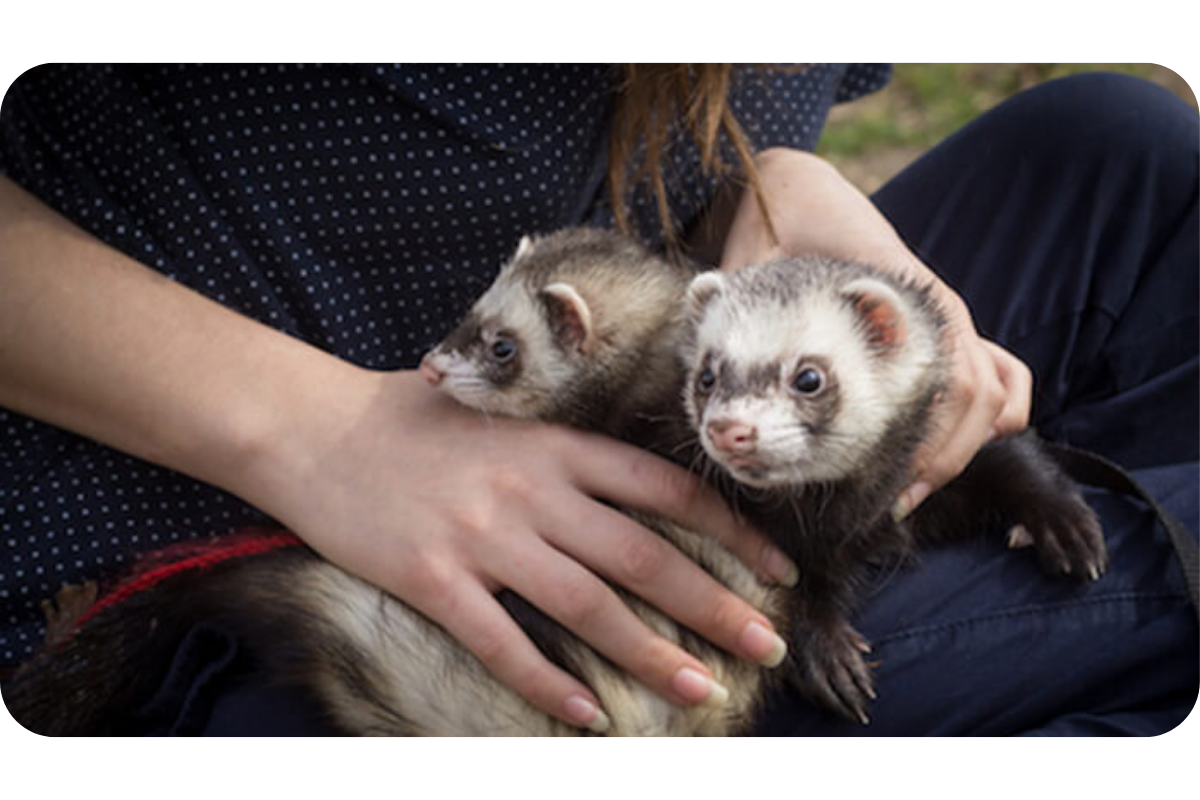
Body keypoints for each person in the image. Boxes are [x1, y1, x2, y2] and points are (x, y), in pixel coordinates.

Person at [0, 62, 1195, 737]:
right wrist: (319, 431)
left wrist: (770, 184)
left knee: (1127, 152)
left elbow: (673, 187)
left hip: (620, 388)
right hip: (181, 577)